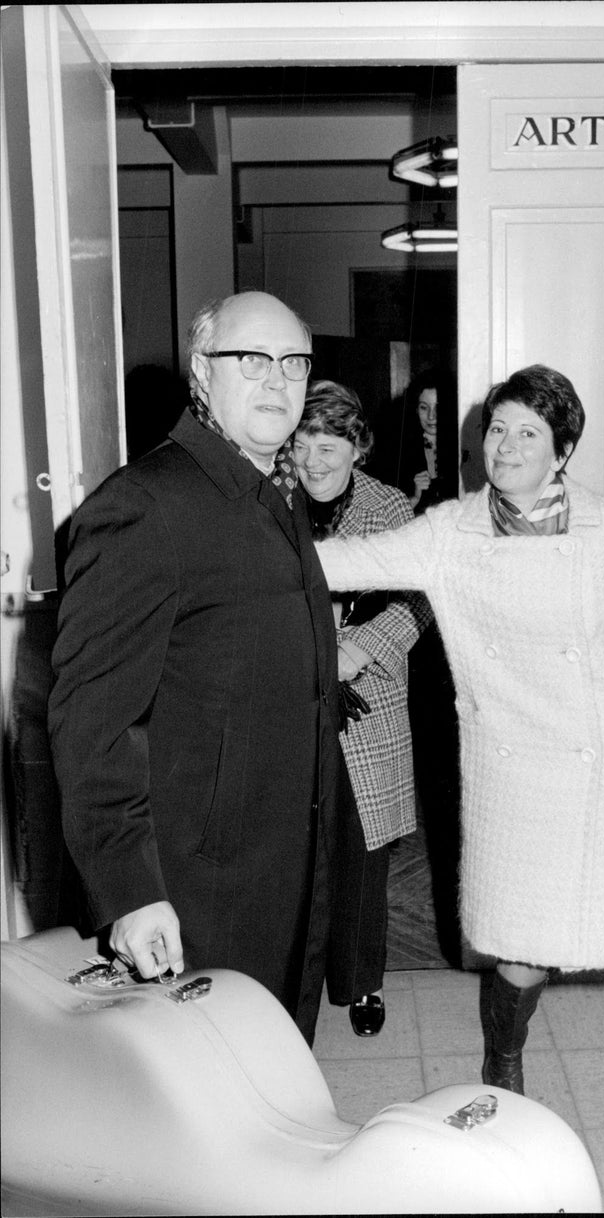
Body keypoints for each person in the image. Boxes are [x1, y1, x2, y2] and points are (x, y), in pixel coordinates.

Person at [314, 363, 604, 1189]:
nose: (508, 445)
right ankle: (505, 1068)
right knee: (522, 950)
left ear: (563, 452)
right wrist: (232, 542)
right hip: (520, 772)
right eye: (497, 428)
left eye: (530, 432)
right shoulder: (449, 531)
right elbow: (338, 562)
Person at [48, 290, 353, 1046]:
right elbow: (92, 720)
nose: (277, 381)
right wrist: (130, 892)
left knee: (273, 1073)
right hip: (198, 884)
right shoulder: (147, 505)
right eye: (251, 360)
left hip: (282, 859)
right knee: (208, 1102)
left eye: (293, 362)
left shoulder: (269, 492)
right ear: (200, 372)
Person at [292, 380, 431, 1035]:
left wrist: (359, 650)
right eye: (303, 442)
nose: (315, 459)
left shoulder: (388, 508)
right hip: (286, 703)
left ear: (358, 448)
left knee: (359, 855)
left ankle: (360, 982)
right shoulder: (268, 501)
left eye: (331, 444)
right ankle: (286, 985)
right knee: (289, 856)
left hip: (363, 709)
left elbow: (417, 599)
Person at [392, 369, 460, 514]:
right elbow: (390, 520)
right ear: (416, 409)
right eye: (424, 407)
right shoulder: (400, 450)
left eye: (438, 408)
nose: (431, 416)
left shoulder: (462, 446)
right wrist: (415, 497)